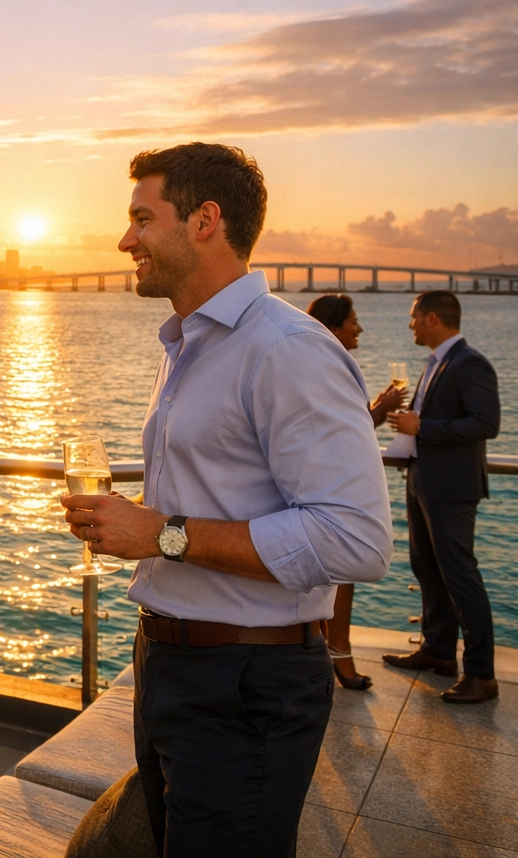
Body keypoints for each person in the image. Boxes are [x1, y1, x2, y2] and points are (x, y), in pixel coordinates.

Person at [63, 143, 392, 857]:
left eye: (141, 218)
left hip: (246, 684)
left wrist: (162, 533)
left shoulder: (286, 349)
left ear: (205, 220)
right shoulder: (190, 346)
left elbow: (355, 540)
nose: (125, 240)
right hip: (172, 665)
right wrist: (135, 524)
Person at [381, 290, 501, 704]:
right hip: (423, 482)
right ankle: (438, 651)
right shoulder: (437, 363)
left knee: (461, 578)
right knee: (427, 569)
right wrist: (411, 428)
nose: (410, 324)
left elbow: (486, 423)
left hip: (452, 489)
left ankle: (482, 675)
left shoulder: (471, 364)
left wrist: (422, 429)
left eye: (414, 317)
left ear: (433, 318)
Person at [306, 293, 406, 690]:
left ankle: (328, 653)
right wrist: (380, 410)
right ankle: (338, 654)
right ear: (333, 327)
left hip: (325, 484)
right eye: (353, 321)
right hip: (328, 488)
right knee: (339, 575)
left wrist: (379, 407)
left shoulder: (316, 364)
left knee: (325, 578)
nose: (359, 327)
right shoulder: (326, 366)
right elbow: (338, 434)